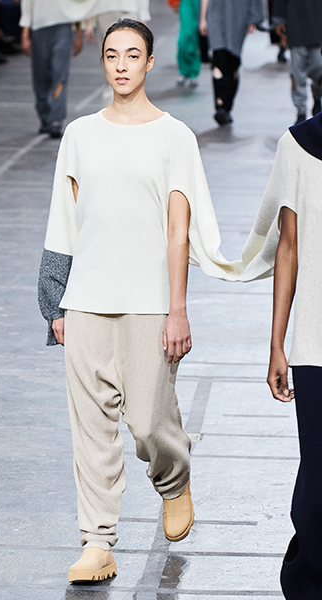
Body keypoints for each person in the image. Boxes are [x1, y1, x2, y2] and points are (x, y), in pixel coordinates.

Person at [38, 17, 244, 583]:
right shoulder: (80, 134)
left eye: (133, 55)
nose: (122, 65)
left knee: (150, 422)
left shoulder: (174, 136)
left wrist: (178, 309)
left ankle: (174, 480)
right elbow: (63, 221)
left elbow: (178, 229)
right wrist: (55, 303)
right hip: (85, 299)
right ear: (103, 62)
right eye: (112, 55)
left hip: (150, 303)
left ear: (150, 62)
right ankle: (97, 542)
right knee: (91, 430)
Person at [263, 108, 322, 598]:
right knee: (318, 481)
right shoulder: (299, 145)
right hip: (315, 342)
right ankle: (306, 583)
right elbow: (289, 246)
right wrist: (277, 344)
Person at [20, 0, 85, 138]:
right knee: (40, 75)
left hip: (63, 26)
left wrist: (79, 33)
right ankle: (44, 115)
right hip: (39, 27)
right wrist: (25, 33)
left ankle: (56, 118)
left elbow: (76, 4)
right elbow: (27, 5)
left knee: (60, 73)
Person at [199, 0, 264, 125]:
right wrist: (202, 18)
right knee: (219, 60)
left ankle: (227, 105)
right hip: (216, 11)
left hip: (239, 13)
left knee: (233, 62)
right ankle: (220, 105)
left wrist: (255, 17)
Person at [273, 0, 322, 124]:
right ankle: (301, 111)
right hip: (296, 26)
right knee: (297, 73)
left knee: (319, 69)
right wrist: (279, 20)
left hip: (318, 26)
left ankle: (317, 95)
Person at [167, 0, 201, 88]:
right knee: (185, 37)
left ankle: (193, 71)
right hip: (186, 2)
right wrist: (173, 2)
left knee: (195, 36)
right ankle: (184, 69)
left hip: (200, 2)